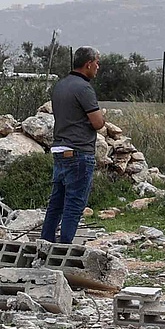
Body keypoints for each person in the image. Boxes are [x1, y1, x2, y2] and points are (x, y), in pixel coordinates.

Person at [42, 48, 105, 244]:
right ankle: (65, 247)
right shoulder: (84, 88)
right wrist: (102, 116)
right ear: (88, 64)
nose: (97, 67)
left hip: (60, 150)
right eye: (96, 63)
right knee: (74, 203)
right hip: (79, 153)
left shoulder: (61, 85)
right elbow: (97, 123)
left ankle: (45, 243)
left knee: (56, 203)